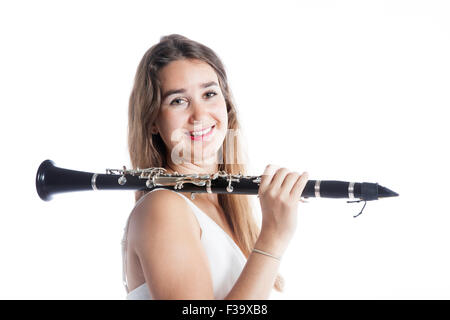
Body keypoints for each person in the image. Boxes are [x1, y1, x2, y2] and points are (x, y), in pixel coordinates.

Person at [121, 34, 309, 300]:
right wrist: (273, 238)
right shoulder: (163, 207)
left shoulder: (228, 206)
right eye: (178, 101)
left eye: (209, 94)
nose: (199, 115)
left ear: (226, 103)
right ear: (152, 120)